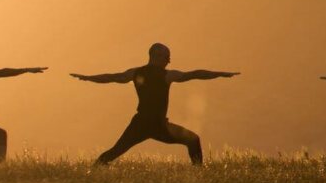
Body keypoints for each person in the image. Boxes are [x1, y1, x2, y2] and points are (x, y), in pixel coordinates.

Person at [70, 43, 238, 165]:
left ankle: (95, 169)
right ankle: (200, 175)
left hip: (148, 124)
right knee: (193, 140)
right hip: (152, 125)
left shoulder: (136, 73)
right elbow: (194, 74)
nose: (168, 60)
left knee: (114, 152)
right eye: (166, 57)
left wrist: (88, 78)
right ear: (156, 57)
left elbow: (112, 77)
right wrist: (220, 74)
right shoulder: (167, 75)